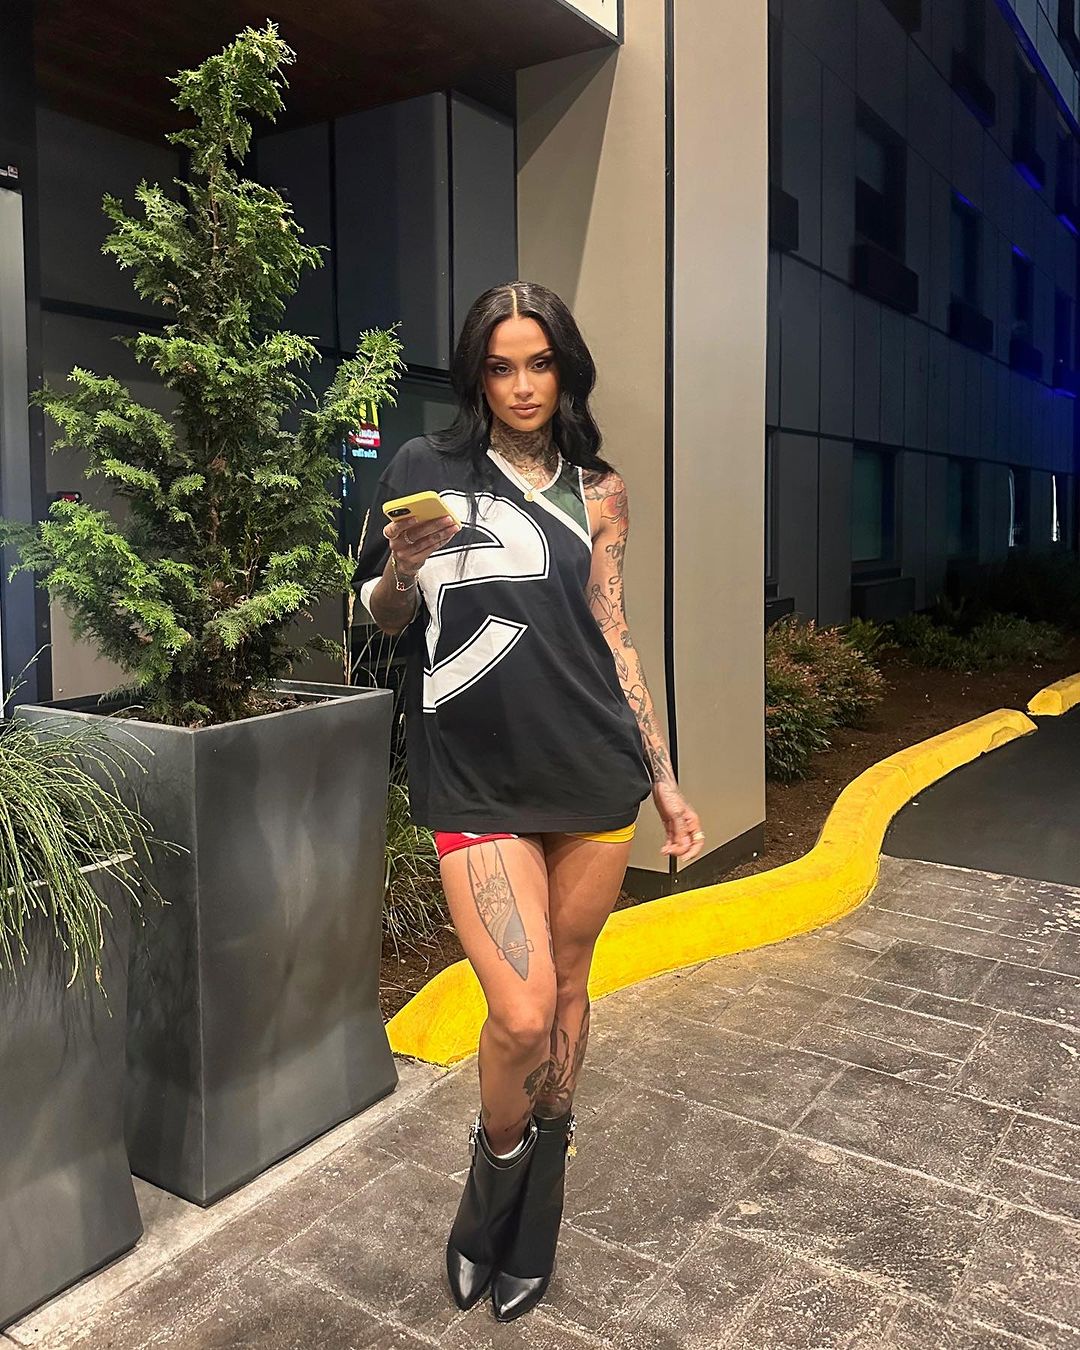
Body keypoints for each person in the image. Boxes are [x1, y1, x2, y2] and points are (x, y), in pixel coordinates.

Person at [352, 281, 704, 1323]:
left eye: (539, 364)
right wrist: (402, 571)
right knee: (518, 1010)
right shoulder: (424, 469)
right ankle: (493, 1178)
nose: (521, 386)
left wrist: (665, 778)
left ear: (565, 372)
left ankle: (537, 1203)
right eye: (501, 366)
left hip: (591, 769)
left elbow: (614, 632)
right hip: (474, 774)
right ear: (476, 375)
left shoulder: (600, 490)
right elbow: (378, 615)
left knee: (572, 986)